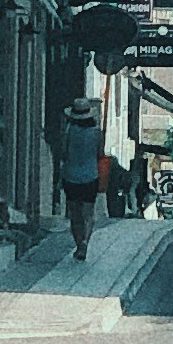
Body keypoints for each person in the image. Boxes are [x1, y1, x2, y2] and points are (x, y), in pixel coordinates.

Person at [59, 93, 105, 257]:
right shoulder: (97, 133)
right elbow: (100, 154)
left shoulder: (68, 131)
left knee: (74, 212)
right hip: (90, 176)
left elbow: (63, 152)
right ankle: (85, 241)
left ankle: (79, 243)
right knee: (88, 212)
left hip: (71, 176)